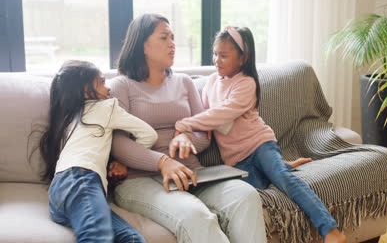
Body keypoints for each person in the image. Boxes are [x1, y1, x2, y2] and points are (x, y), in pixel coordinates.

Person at [174, 26, 347, 243]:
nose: (217, 60)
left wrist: (184, 125)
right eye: (215, 54)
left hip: (260, 144)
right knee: (253, 189)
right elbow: (207, 118)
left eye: (224, 55)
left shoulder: (246, 83)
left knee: (284, 180)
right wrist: (192, 134)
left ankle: (330, 230)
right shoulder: (210, 83)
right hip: (236, 159)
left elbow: (221, 114)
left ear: (242, 58)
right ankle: (281, 165)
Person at [108, 14, 266, 243]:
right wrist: (163, 162)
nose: (172, 44)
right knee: (195, 215)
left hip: (193, 173)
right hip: (140, 180)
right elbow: (118, 143)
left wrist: (185, 137)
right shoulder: (121, 86)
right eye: (164, 38)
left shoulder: (184, 82)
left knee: (245, 195)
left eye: (173, 37)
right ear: (142, 45)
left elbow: (205, 133)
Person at [39, 60, 157, 243]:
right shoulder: (106, 108)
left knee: (132, 238)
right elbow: (148, 134)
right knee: (97, 238)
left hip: (59, 198)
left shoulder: (67, 116)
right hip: (81, 181)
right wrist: (125, 162)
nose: (108, 88)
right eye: (102, 82)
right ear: (86, 90)